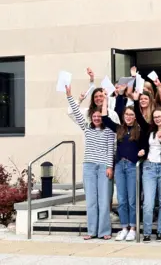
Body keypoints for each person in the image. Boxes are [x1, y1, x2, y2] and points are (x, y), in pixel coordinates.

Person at [66, 85, 115, 240]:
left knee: (104, 200)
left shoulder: (108, 130)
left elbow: (109, 149)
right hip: (89, 166)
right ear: (91, 118)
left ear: (102, 117)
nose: (96, 118)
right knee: (91, 201)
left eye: (99, 116)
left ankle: (104, 231)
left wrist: (109, 166)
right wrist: (70, 96)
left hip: (103, 167)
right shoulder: (87, 128)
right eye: (94, 116)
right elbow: (77, 114)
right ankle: (92, 231)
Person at [102, 87, 143, 242]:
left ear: (135, 117)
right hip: (120, 166)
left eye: (131, 115)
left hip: (133, 166)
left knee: (132, 199)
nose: (128, 117)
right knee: (122, 199)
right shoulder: (119, 129)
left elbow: (144, 145)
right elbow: (105, 118)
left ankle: (133, 227)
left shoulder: (139, 130)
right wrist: (106, 99)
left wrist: (142, 152)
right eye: (126, 114)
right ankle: (124, 227)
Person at [132, 92, 161, 243]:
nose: (157, 119)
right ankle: (146, 232)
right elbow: (139, 117)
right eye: (155, 117)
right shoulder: (149, 129)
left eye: (159, 116)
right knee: (148, 202)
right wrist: (136, 101)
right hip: (148, 167)